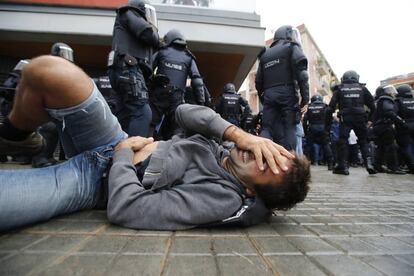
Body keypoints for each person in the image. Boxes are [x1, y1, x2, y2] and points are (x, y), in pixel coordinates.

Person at [0, 55, 310, 232]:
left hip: (94, 180)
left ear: (251, 191)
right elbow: (184, 112)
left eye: (266, 164)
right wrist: (238, 134)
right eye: (271, 150)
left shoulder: (223, 198)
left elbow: (128, 210)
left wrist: (122, 158)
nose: (261, 152)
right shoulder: (228, 150)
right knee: (46, 71)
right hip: (111, 140)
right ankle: (19, 139)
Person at [108, 0, 160, 137]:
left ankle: (117, 152)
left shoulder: (127, 20)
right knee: (142, 112)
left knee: (124, 115)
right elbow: (148, 33)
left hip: (124, 70)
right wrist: (159, 41)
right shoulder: (128, 12)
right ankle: (134, 155)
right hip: (127, 69)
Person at [255, 25, 309, 151]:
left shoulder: (265, 55)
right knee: (289, 127)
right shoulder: (291, 47)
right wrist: (305, 100)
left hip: (269, 95)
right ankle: (289, 160)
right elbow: (303, 75)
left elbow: (258, 82)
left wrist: (264, 99)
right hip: (287, 93)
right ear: (288, 34)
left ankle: (263, 156)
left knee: (267, 128)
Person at [150, 29, 205, 139]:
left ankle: (147, 147)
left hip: (159, 94)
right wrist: (201, 103)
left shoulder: (161, 52)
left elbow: (147, 69)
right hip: (177, 97)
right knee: (176, 128)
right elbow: (197, 81)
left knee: (151, 124)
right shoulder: (188, 57)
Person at [326, 70, 376, 175]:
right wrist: (369, 119)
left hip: (346, 118)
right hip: (360, 118)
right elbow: (373, 106)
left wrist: (328, 122)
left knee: (343, 141)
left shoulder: (339, 89)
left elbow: (330, 108)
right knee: (363, 141)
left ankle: (343, 167)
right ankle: (369, 163)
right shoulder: (362, 88)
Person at [372, 85, 406, 174]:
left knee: (380, 147)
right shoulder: (386, 99)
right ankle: (393, 168)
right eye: (389, 90)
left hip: (378, 126)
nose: (392, 92)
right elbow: (389, 111)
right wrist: (400, 120)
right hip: (386, 126)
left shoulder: (378, 101)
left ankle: (377, 166)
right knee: (391, 147)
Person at [303, 94, 334, 170]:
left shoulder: (309, 107)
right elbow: (330, 119)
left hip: (312, 128)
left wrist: (305, 131)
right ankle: (330, 164)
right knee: (326, 145)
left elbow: (305, 120)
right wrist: (327, 129)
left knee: (308, 147)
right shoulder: (325, 106)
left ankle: (304, 164)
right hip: (322, 128)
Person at [395, 84, 414, 173]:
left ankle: (412, 166)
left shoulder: (398, 101)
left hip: (403, 127)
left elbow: (394, 114)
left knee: (406, 147)